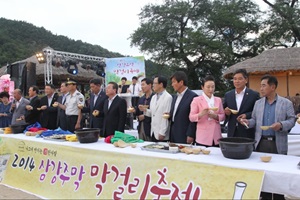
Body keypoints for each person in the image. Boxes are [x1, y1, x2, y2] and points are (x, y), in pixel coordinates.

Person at [241, 75, 295, 200]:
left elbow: (292, 120)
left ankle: (278, 197)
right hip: (261, 143)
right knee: (262, 176)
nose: (261, 88)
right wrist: (247, 122)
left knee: (278, 176)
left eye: (263, 85)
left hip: (277, 143)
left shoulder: (285, 103)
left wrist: (281, 125)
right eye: (260, 86)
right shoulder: (258, 103)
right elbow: (254, 120)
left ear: (273, 87)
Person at [189, 75, 225, 147]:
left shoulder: (218, 100)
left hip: (216, 135)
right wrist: (201, 114)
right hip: (203, 136)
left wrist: (216, 116)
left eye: (213, 87)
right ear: (202, 87)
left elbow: (223, 115)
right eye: (208, 87)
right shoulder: (197, 100)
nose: (211, 89)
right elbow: (191, 117)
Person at [223, 69, 260, 139]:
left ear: (246, 80)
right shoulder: (228, 95)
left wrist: (247, 115)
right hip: (232, 131)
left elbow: (258, 112)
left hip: (247, 131)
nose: (237, 81)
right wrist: (226, 112)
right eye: (235, 79)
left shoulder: (253, 95)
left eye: (240, 79)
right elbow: (223, 111)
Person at [170, 71, 197, 144]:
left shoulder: (193, 96)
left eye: (173, 82)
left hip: (184, 134)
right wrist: (170, 114)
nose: (172, 85)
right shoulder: (175, 96)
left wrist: (190, 134)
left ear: (181, 82)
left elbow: (193, 119)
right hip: (173, 133)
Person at [144, 76, 172, 141]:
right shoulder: (153, 97)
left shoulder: (168, 97)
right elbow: (152, 113)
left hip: (161, 133)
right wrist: (145, 110)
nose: (153, 85)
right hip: (153, 131)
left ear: (161, 84)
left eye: (154, 83)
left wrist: (162, 132)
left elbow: (166, 117)